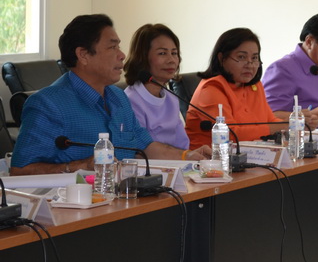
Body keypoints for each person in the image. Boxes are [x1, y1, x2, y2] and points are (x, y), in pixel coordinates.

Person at [10, 14, 210, 176]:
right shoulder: (48, 104)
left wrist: (188, 156)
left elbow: (147, 146)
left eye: (119, 46)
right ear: (83, 55)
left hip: (127, 198)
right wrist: (78, 166)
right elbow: (20, 170)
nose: (122, 55)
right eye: (112, 47)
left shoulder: (118, 97)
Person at [185, 28, 298, 149]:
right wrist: (281, 127)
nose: (250, 64)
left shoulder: (254, 86)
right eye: (242, 57)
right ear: (222, 58)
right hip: (210, 157)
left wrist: (296, 124)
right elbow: (230, 135)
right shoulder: (211, 89)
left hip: (250, 154)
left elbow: (270, 120)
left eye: (254, 58)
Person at [262, 11, 318, 127]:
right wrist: (313, 116)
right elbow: (266, 117)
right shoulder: (282, 69)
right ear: (309, 42)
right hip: (300, 138)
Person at [122, 23, 189, 150]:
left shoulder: (171, 98)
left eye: (174, 53)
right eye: (162, 53)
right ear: (142, 57)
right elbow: (141, 150)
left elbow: (183, 145)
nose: (171, 60)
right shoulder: (130, 100)